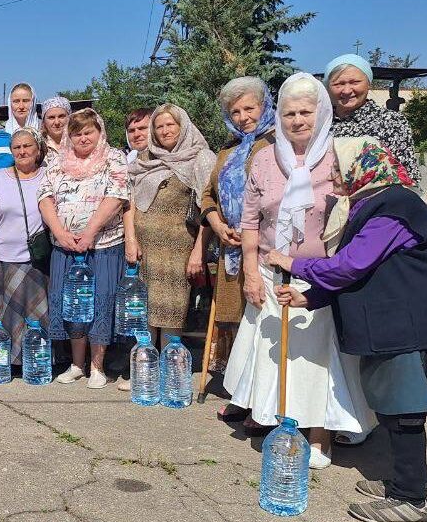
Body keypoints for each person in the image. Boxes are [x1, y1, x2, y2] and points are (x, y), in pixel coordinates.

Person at [272, 138, 427, 522]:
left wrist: (292, 263)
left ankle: (411, 501)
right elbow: (361, 270)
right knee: (395, 403)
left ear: (363, 168)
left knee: (405, 406)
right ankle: (413, 481)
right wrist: (310, 299)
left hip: (413, 324)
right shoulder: (377, 205)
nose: (333, 176)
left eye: (339, 169)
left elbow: (351, 266)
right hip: (400, 320)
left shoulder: (394, 207)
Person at [224, 73, 374, 468]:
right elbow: (251, 222)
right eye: (289, 112)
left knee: (319, 357)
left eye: (305, 111)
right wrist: (252, 276)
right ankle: (285, 422)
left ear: (321, 112)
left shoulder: (341, 156)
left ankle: (321, 434)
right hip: (273, 272)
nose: (296, 120)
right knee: (280, 356)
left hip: (324, 275)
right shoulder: (264, 159)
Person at [38, 109, 132, 388]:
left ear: (99, 133)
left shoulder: (113, 158)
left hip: (103, 246)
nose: (82, 138)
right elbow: (44, 197)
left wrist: (90, 232)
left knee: (100, 302)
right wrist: (60, 232)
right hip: (65, 248)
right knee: (72, 305)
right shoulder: (56, 163)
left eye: (87, 132)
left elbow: (117, 196)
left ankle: (97, 367)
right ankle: (77, 364)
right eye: (76, 133)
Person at [200, 78, 275, 398]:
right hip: (229, 244)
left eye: (250, 108)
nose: (244, 116)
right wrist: (217, 225)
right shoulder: (227, 150)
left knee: (260, 322)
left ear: (264, 107)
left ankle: (260, 395)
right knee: (234, 322)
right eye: (236, 111)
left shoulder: (275, 144)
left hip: (262, 247)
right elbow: (208, 195)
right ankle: (239, 391)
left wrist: (249, 228)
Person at [126, 104, 216, 345]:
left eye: (170, 125)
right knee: (143, 309)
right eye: (159, 126)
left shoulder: (200, 158)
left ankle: (168, 368)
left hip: (177, 251)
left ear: (182, 126)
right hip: (145, 250)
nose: (165, 131)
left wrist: (199, 251)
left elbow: (208, 208)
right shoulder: (145, 159)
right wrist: (131, 239)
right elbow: (132, 200)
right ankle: (145, 367)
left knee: (171, 311)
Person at [0, 128, 47, 357]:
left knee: (36, 314)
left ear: (38, 150)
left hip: (37, 260)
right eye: (17, 147)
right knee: (2, 315)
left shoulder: (50, 175)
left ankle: (34, 360)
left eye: (27, 146)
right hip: (4, 259)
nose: (22, 151)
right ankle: (1, 361)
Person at [326, 53, 421, 184]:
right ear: (328, 88)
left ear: (369, 83)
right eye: (338, 84)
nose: (347, 90)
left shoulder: (390, 122)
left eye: (355, 82)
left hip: (373, 202)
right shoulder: (319, 123)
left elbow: (407, 177)